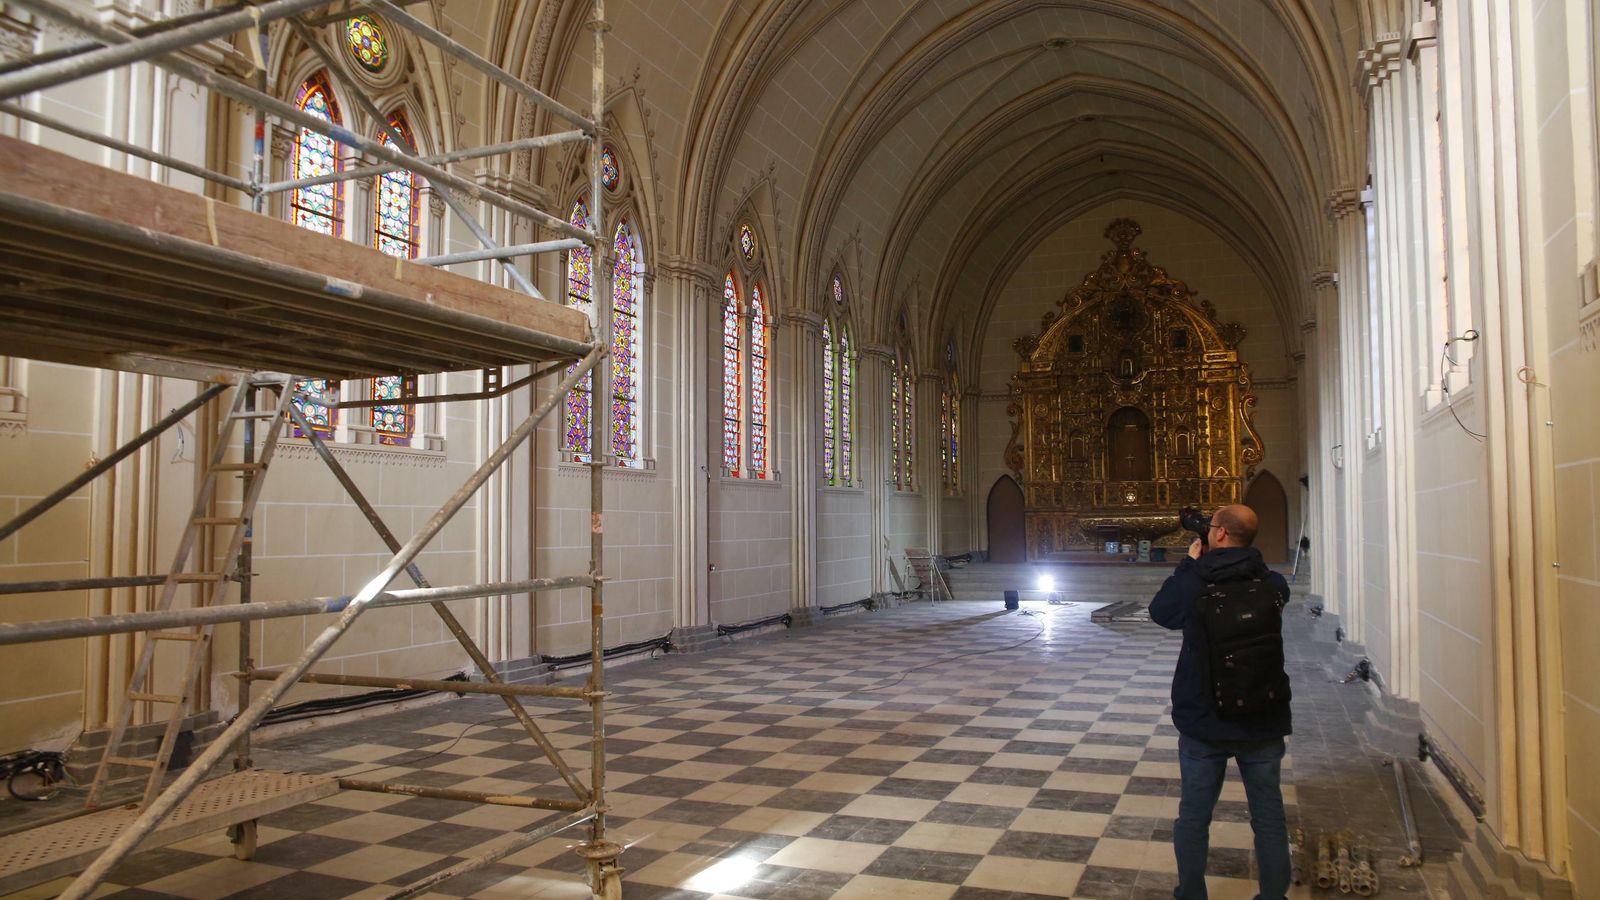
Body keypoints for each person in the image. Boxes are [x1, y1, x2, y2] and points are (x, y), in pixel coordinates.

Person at [1150, 504, 1293, 900]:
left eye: (1212, 525)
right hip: (1263, 715)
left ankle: (1191, 894)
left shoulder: (1195, 584)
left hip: (1204, 718)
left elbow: (1161, 612)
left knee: (1194, 818)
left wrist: (1190, 565)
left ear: (1221, 535)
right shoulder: (1274, 585)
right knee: (1269, 819)